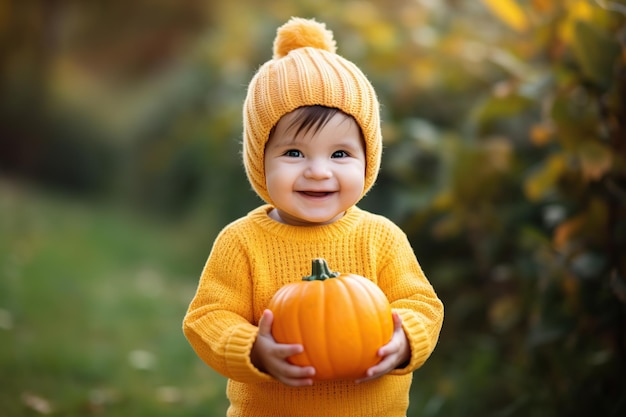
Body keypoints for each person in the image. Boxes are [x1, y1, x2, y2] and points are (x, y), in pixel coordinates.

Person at [183, 17, 444, 417]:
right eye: (294, 153)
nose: (318, 171)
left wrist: (405, 337)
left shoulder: (381, 238)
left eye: (340, 154)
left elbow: (422, 303)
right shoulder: (242, 242)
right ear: (259, 160)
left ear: (367, 159)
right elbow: (208, 317)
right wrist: (252, 348)